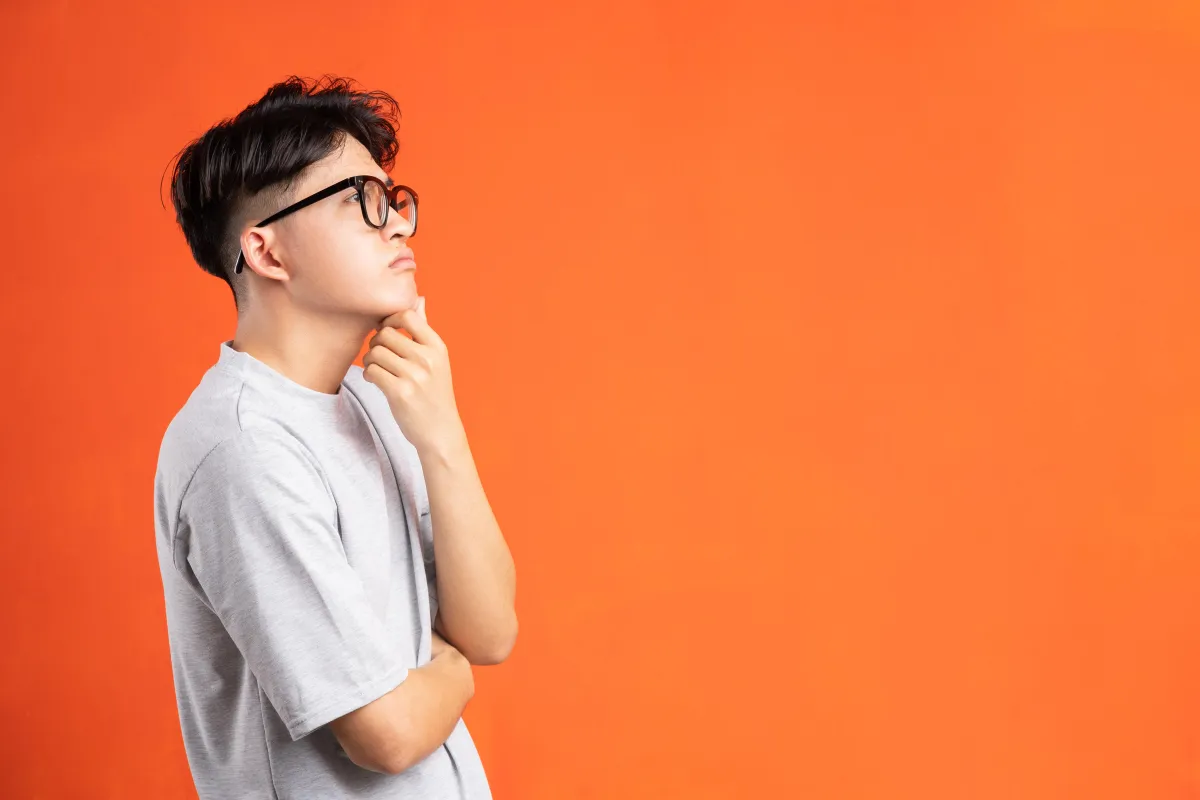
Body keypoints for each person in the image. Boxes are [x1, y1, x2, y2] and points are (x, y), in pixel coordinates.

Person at [153, 75, 517, 799]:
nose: (399, 226)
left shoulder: (375, 399)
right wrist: (450, 667)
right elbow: (387, 734)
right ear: (268, 253)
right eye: (361, 201)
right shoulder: (243, 448)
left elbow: (491, 631)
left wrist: (442, 435)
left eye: (394, 199)